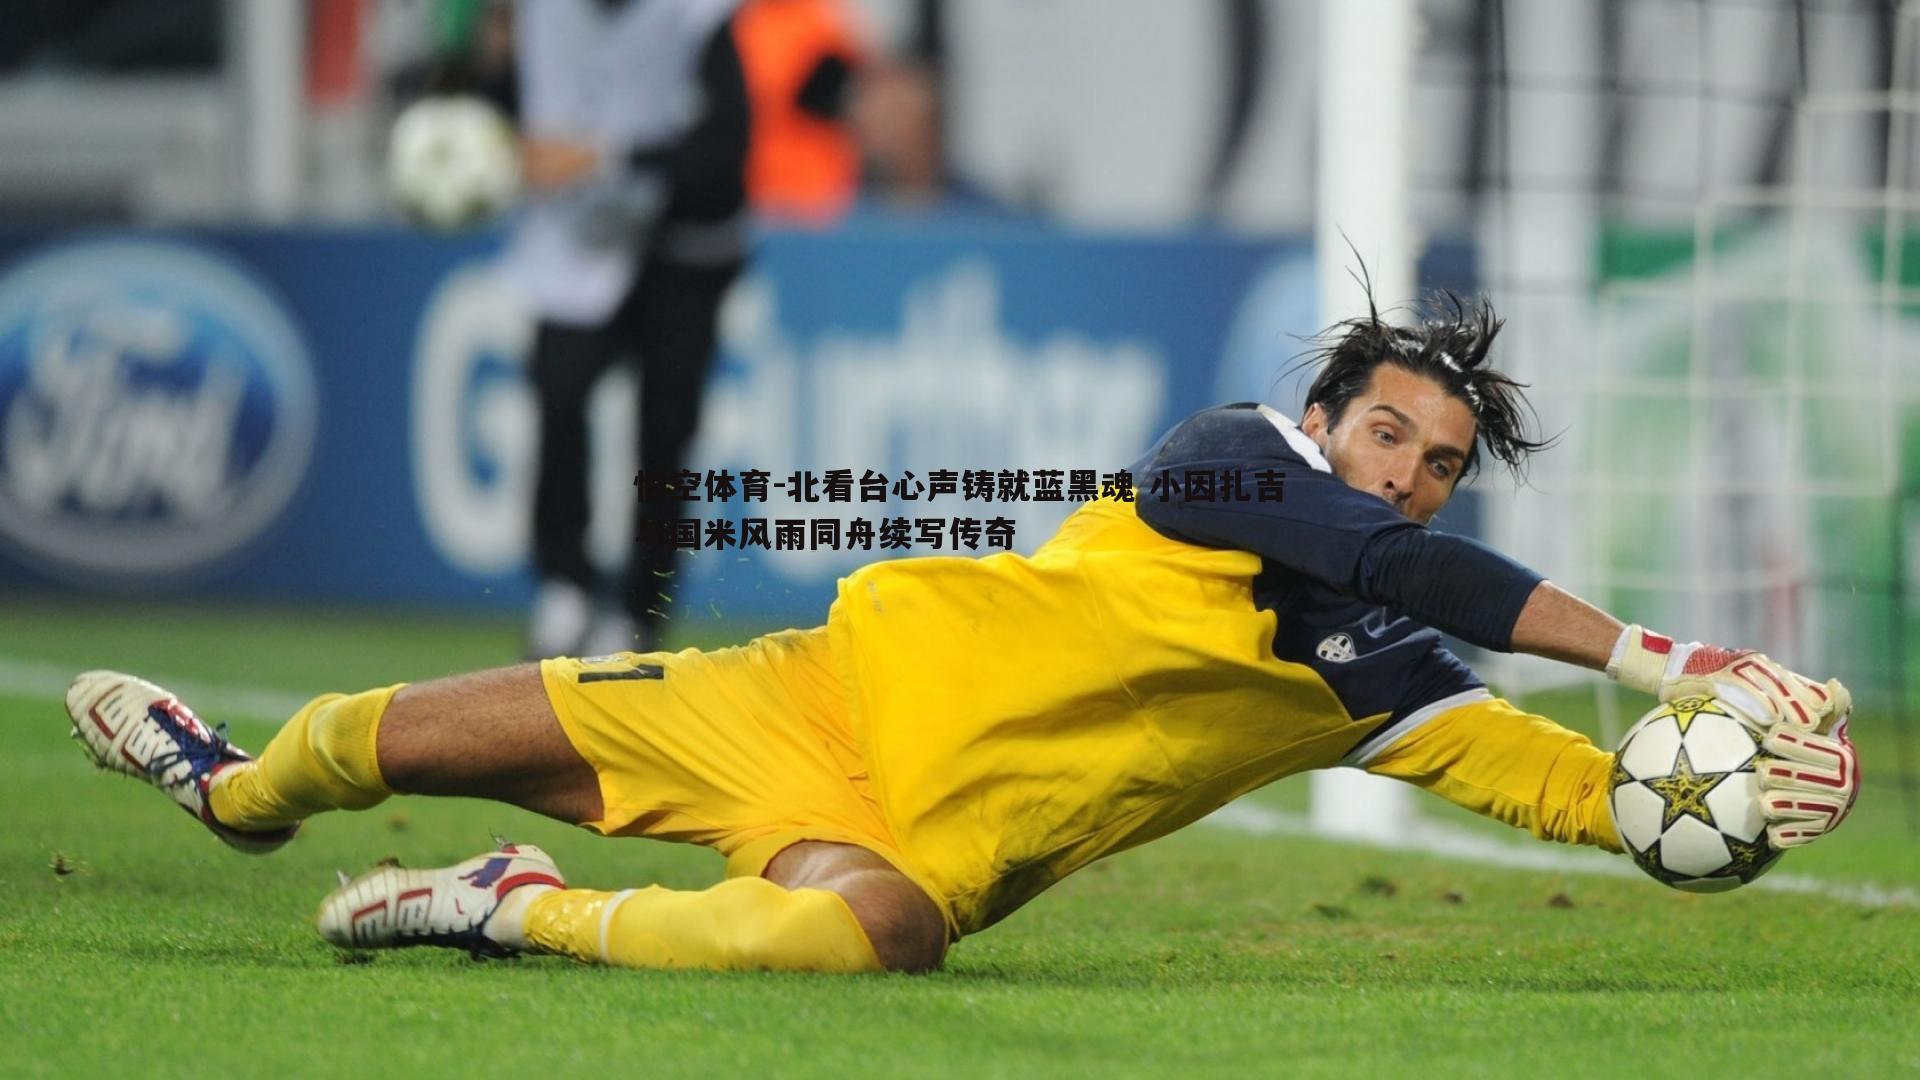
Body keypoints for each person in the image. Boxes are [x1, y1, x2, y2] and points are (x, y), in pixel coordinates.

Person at [65, 294, 1860, 974]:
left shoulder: (1370, 672)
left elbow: (1552, 783)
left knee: (861, 944)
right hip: (803, 697)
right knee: (358, 744)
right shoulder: (1219, 470)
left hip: (923, 844)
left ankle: (511, 908)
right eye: (1389, 434)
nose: (1408, 477)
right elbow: (1399, 572)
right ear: (1323, 422)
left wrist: (1718, 803)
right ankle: (229, 789)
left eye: (1443, 466)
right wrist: (1668, 657)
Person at [500, 0, 750, 658]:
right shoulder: (539, 14)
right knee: (558, 389)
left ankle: (642, 610)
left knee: (666, 431)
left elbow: (725, 153)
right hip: (580, 239)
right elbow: (502, 96)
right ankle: (564, 586)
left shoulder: (698, 17)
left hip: (684, 248)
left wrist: (606, 157)